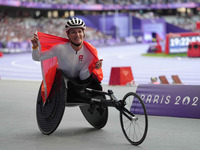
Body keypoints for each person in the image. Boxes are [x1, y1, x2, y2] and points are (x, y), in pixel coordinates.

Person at [31, 17, 103, 101]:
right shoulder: (60, 48)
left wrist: (96, 66)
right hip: (63, 82)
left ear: (84, 33)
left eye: (80, 31)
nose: (77, 35)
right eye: (73, 32)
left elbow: (91, 68)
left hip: (81, 81)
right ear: (68, 34)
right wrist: (35, 47)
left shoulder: (91, 51)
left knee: (89, 76)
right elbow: (37, 58)